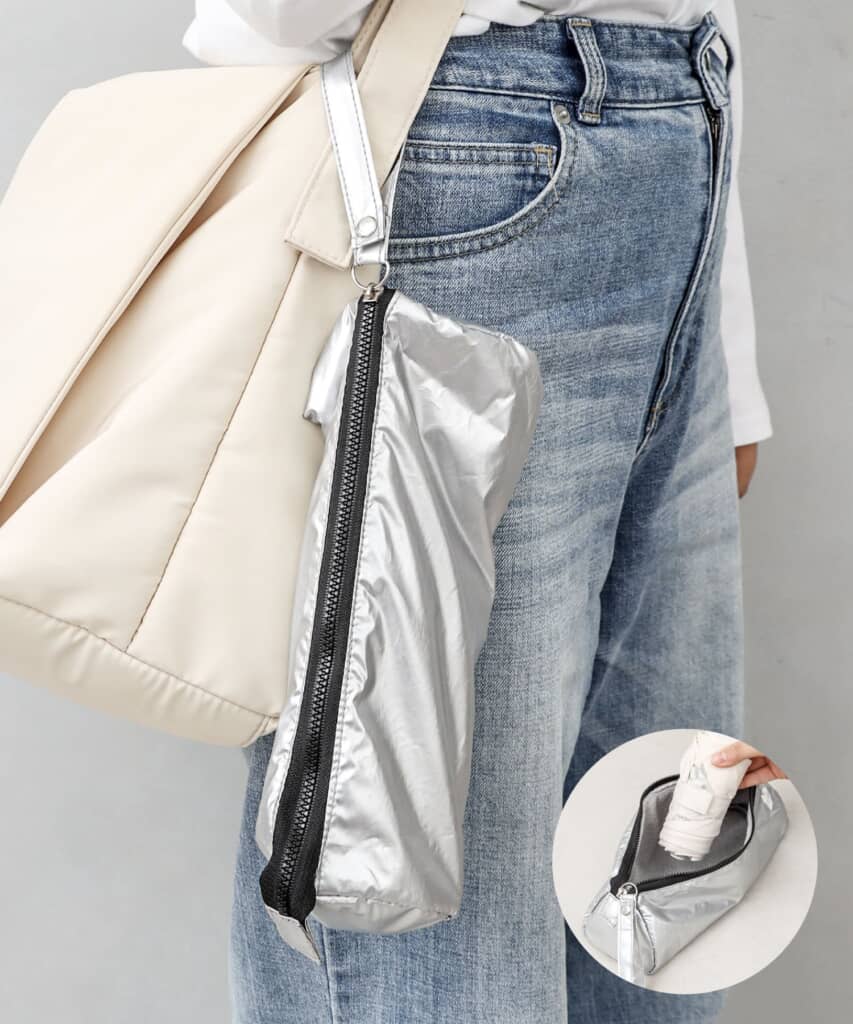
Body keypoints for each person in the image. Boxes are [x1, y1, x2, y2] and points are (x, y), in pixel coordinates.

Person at [184, 3, 771, 1021]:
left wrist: (720, 336)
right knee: (425, 925)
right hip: (456, 169)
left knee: (661, 918)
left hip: (681, 144)